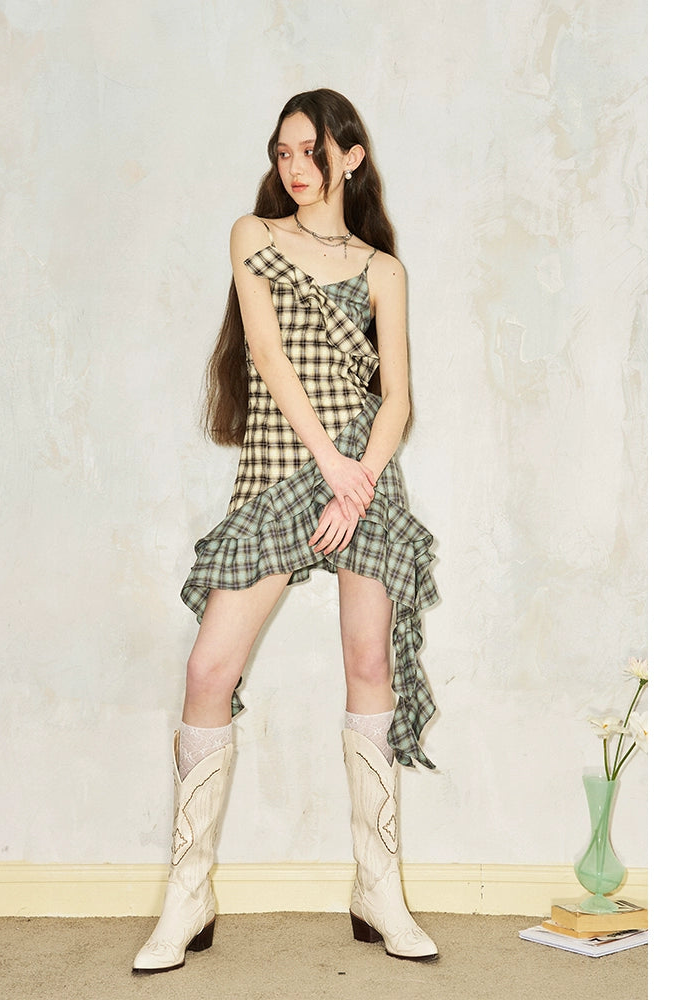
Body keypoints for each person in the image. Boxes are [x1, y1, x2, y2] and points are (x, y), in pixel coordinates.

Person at [132, 88, 440, 975]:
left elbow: (398, 398)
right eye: (283, 152)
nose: (295, 167)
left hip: (361, 473)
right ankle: (188, 894)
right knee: (209, 670)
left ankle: (377, 887)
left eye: (311, 151)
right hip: (284, 463)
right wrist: (328, 467)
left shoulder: (384, 271)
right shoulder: (255, 236)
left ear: (351, 156)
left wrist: (358, 482)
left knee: (370, 663)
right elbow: (266, 356)